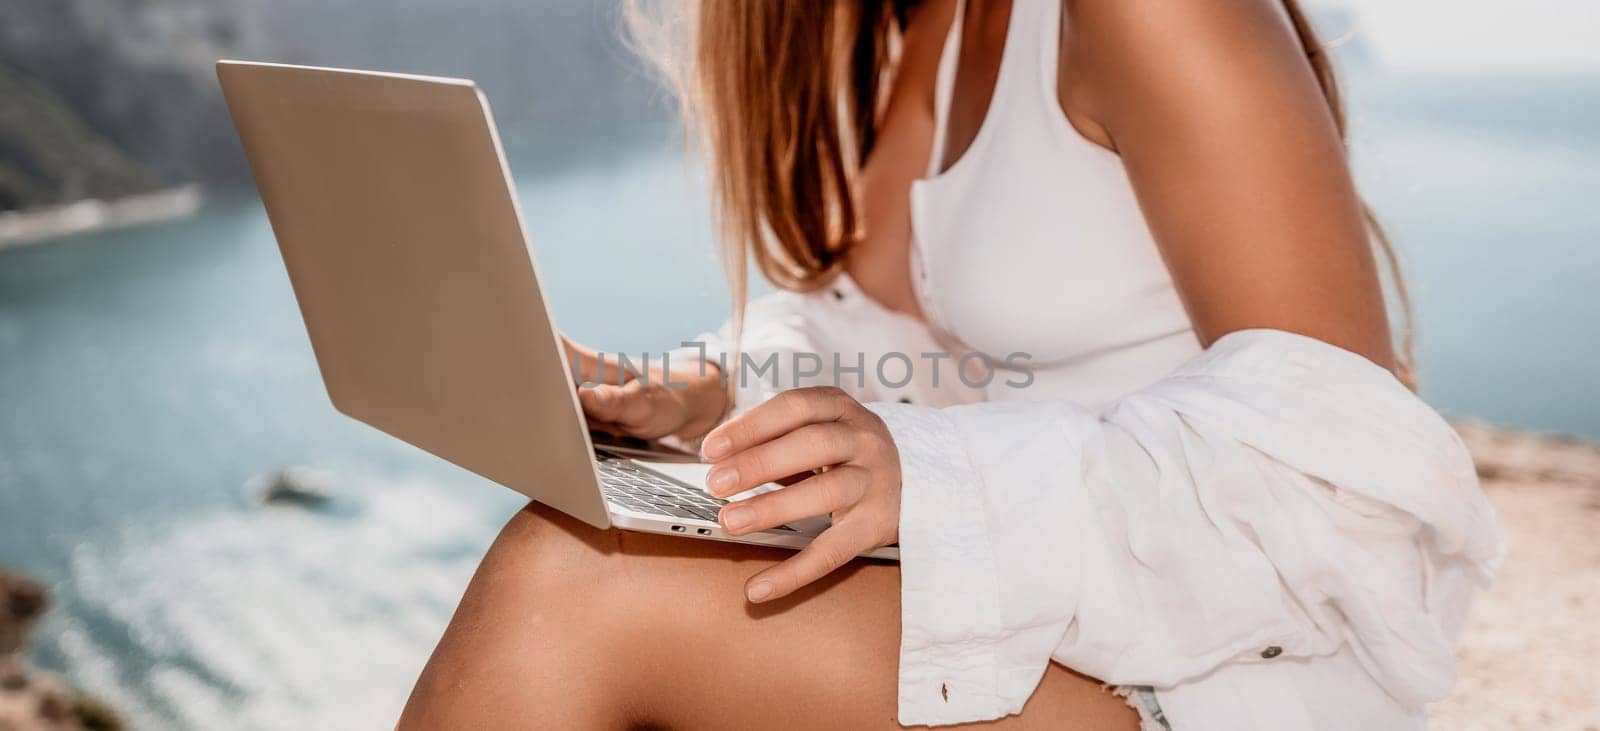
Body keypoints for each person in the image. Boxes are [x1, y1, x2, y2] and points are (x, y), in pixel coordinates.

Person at [399, 0, 1502, 727]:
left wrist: (932, 479)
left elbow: (1347, 469)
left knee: (570, 583)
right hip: (1023, 634)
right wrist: (692, 389)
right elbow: (869, 331)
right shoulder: (905, 27)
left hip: (1217, 679)